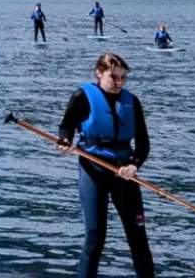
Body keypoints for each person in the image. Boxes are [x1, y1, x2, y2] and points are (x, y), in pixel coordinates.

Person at [56, 53, 154, 278]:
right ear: (99, 73)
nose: (119, 83)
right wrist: (64, 142)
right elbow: (66, 127)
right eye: (114, 77)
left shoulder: (132, 101)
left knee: (138, 236)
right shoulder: (82, 96)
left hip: (125, 173)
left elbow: (143, 144)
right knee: (95, 236)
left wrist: (134, 166)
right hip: (94, 170)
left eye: (123, 78)